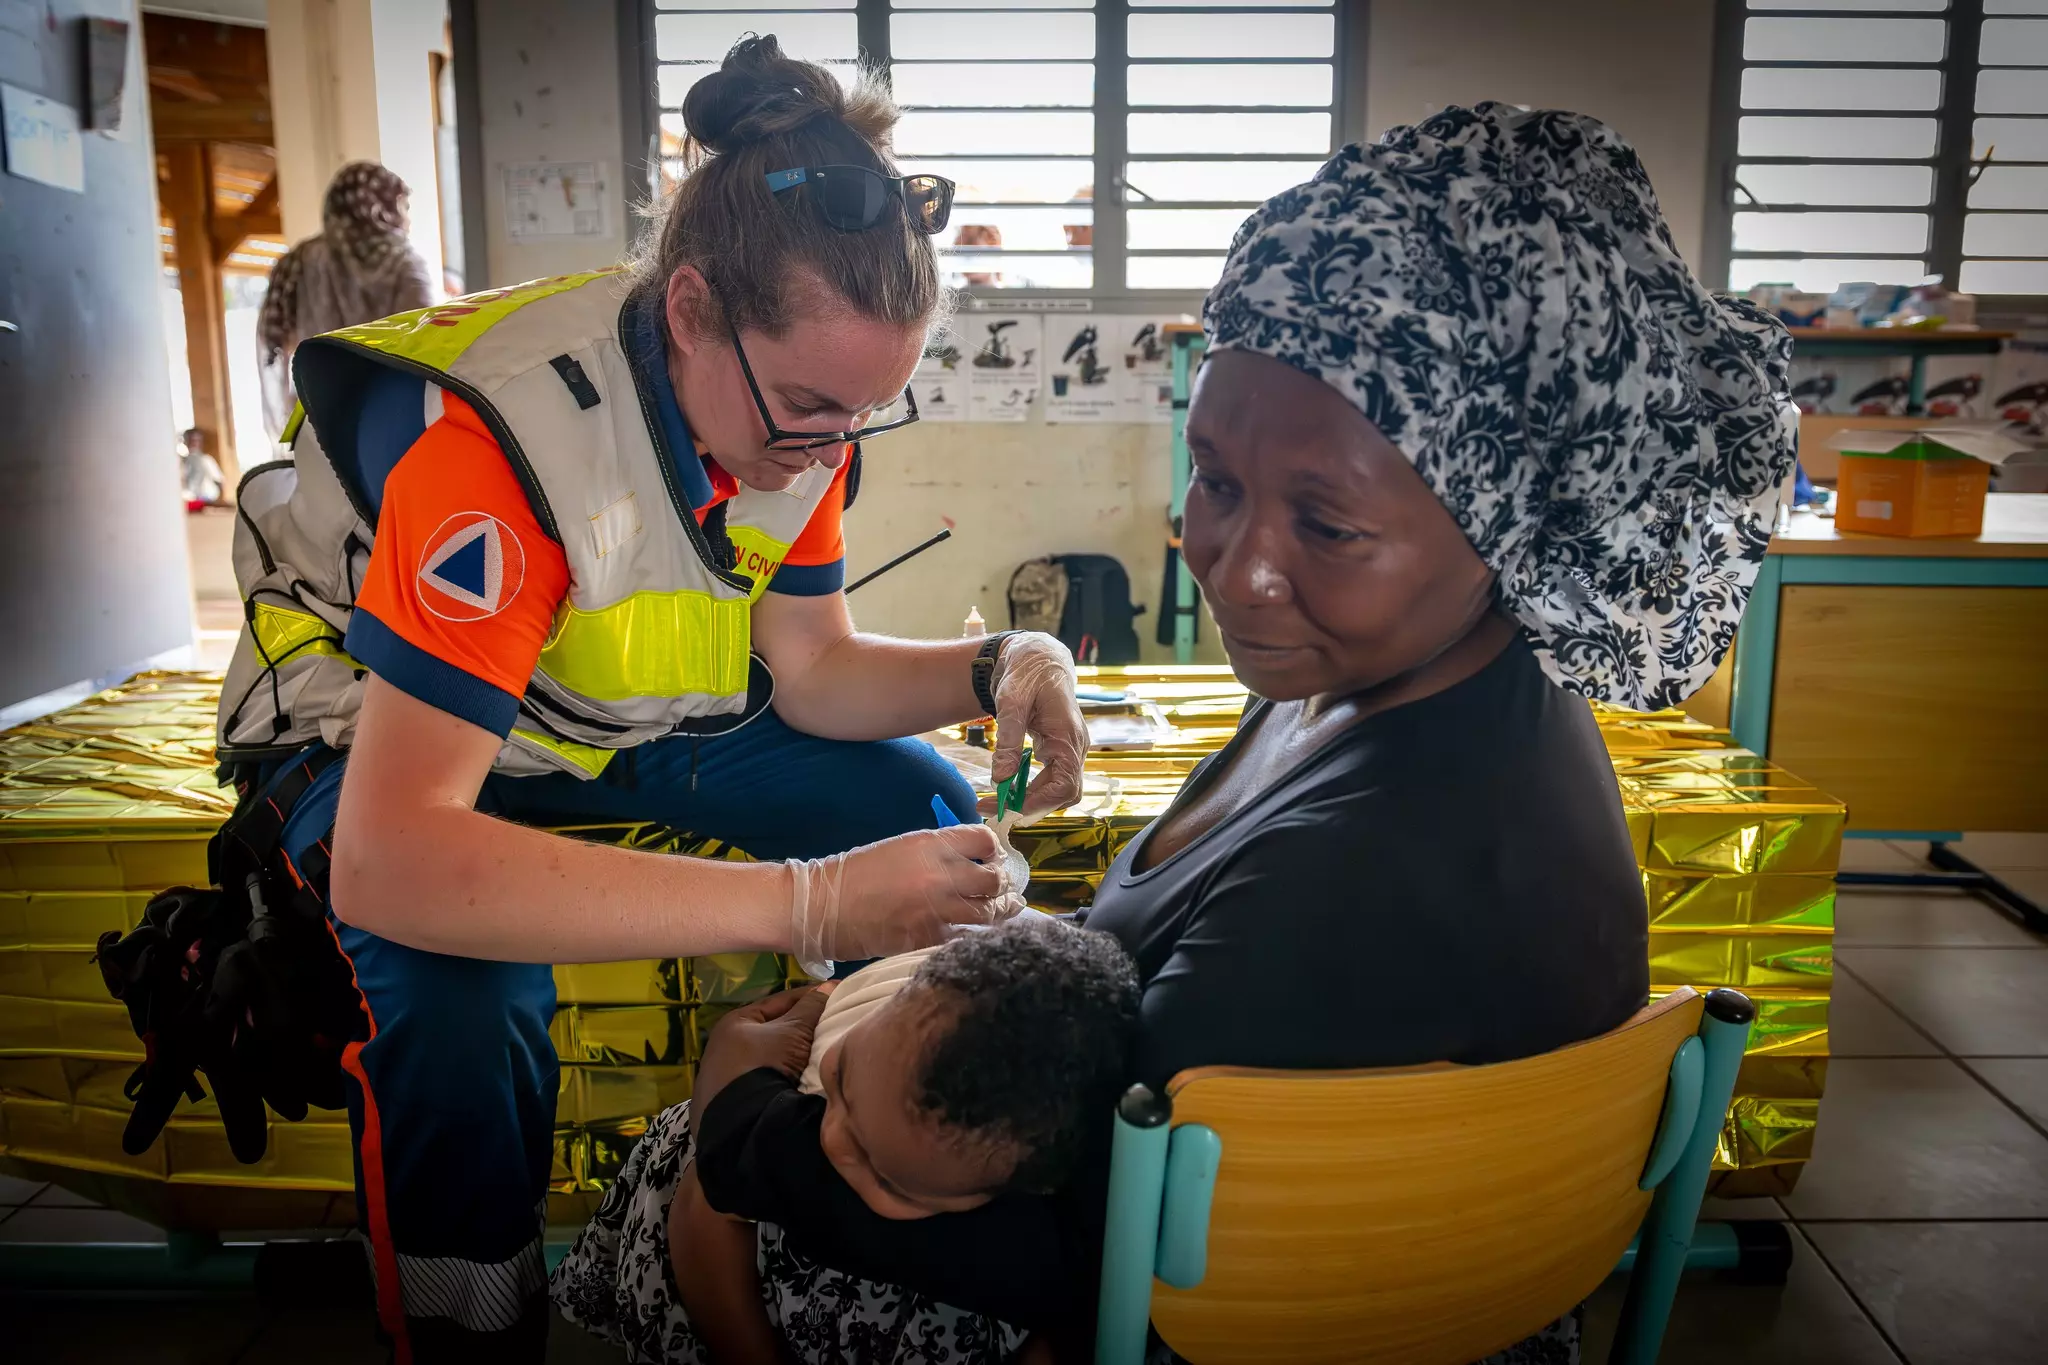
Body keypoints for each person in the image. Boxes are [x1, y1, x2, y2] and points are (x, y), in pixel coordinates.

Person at [676, 103, 1799, 1362]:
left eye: (1327, 526)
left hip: (1223, 1318)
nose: (1234, 566)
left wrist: (738, 1119)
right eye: (1214, 479)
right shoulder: (1401, 687)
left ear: (1511, 524)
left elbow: (1090, 1258)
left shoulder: (1370, 875)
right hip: (1332, 1273)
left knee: (682, 1179)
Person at [213, 36, 1087, 1363]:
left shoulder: (794, 419)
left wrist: (1006, 665)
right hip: (374, 731)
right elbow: (395, 861)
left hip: (581, 719)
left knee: (922, 809)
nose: (829, 453)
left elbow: (817, 669)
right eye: (810, 408)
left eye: (867, 414)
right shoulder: (502, 451)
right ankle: (473, 1328)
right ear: (688, 310)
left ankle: (850, 1225)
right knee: (460, 1009)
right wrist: (810, 904)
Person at [552, 916, 1139, 1363]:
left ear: (1012, 1196)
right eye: (839, 1078)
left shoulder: (1030, 1243)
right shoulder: (884, 1026)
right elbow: (705, 1206)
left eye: (885, 1177)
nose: (831, 1138)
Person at [256, 161, 437, 440]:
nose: (408, 219)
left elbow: (277, 338)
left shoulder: (297, 261)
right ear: (378, 207)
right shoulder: (403, 262)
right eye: (404, 207)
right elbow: (427, 338)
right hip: (390, 415)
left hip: (316, 415)